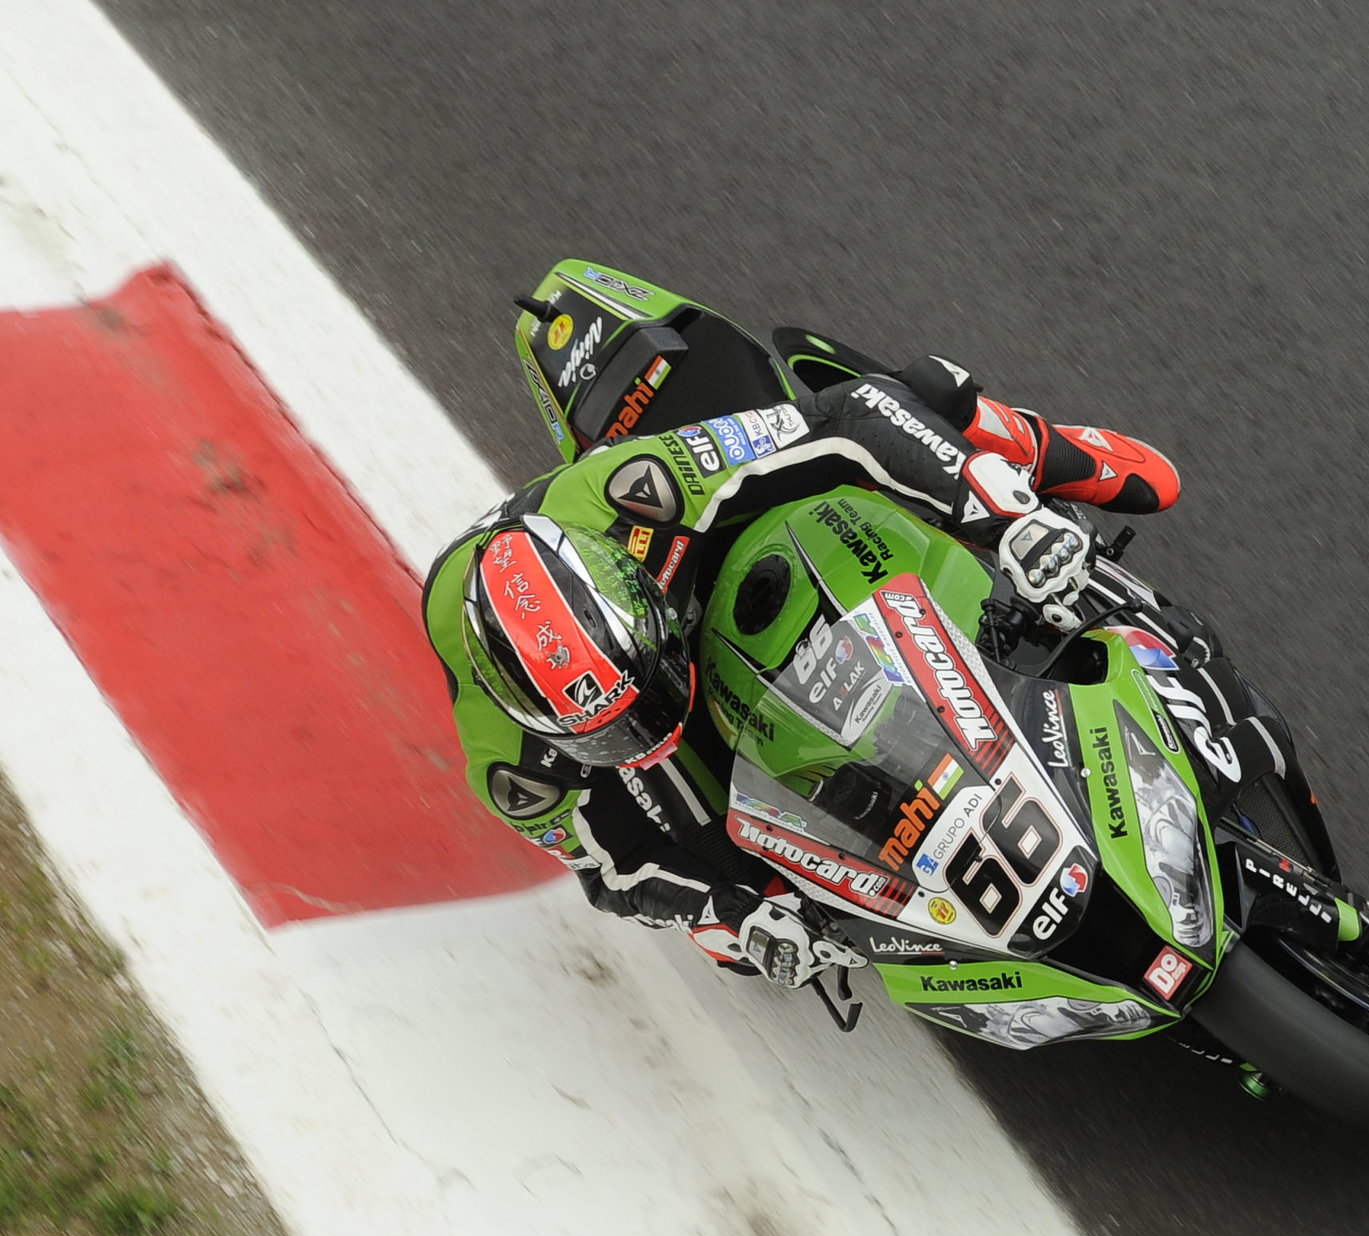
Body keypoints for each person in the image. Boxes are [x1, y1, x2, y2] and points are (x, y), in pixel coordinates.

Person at [421, 353, 1180, 986]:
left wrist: (1007, 520)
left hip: (724, 541)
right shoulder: (512, 772)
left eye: (641, 700)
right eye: (609, 730)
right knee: (743, 935)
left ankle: (1026, 443)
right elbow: (617, 870)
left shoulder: (634, 493)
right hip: (687, 712)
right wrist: (733, 913)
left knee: (915, 397)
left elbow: (848, 415)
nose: (646, 721)